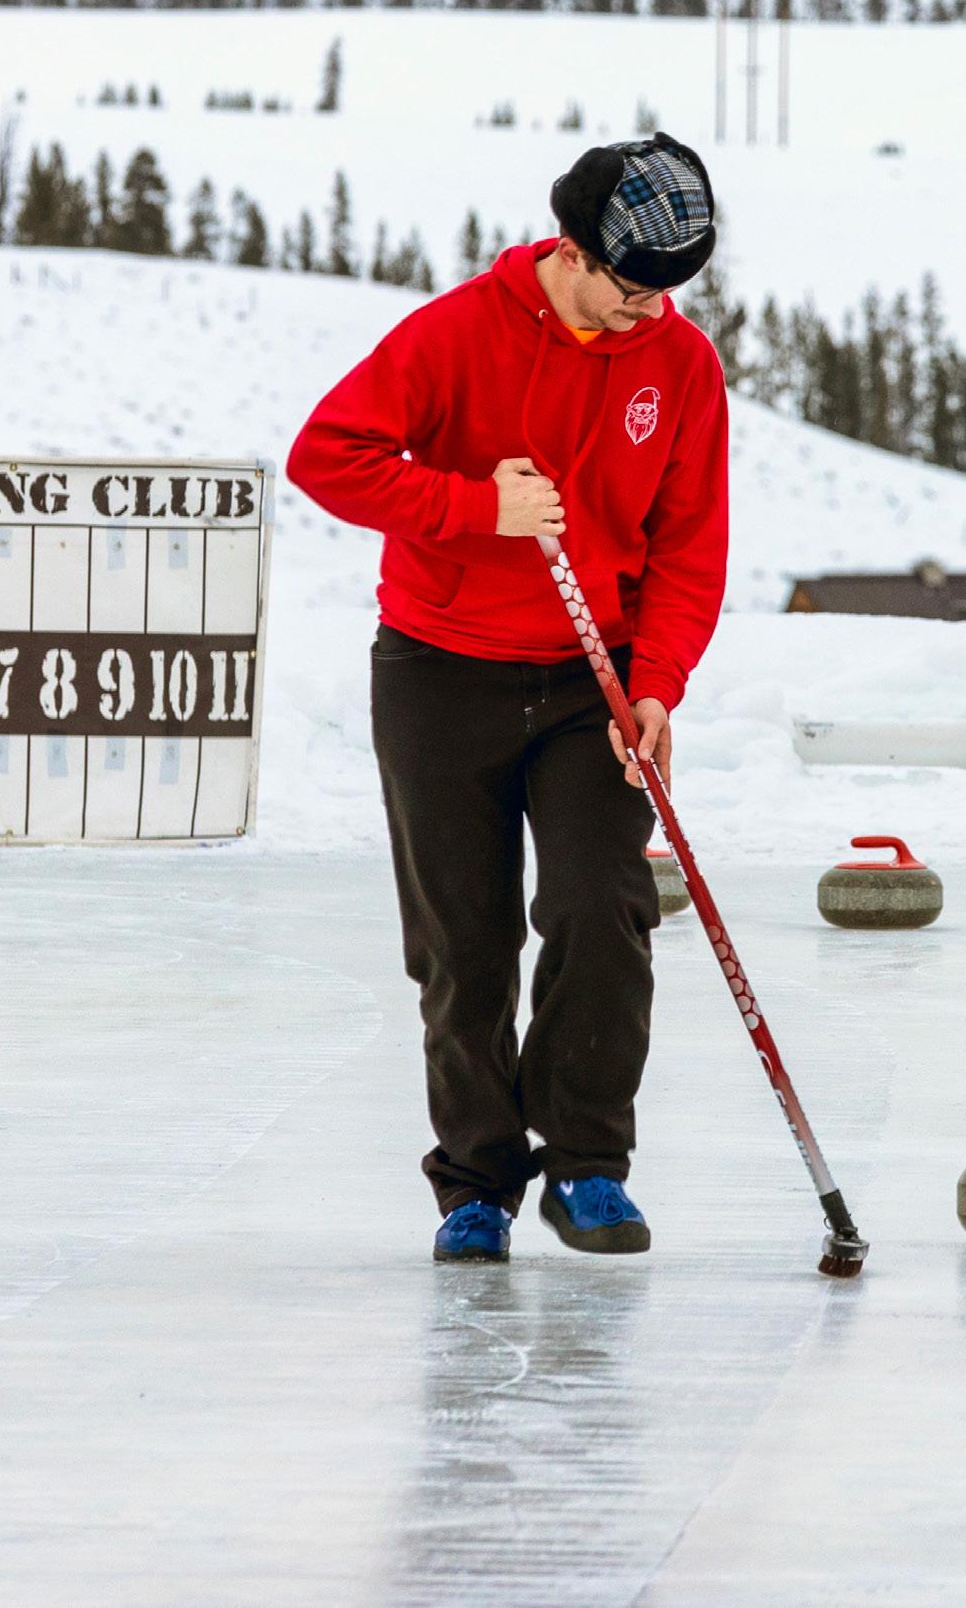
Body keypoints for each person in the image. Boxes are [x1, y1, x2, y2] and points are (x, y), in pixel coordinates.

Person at [287, 133, 728, 1264]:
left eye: (667, 293)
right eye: (630, 289)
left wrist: (656, 687)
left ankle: (586, 1165)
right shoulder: (454, 334)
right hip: (439, 670)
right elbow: (325, 456)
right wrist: (474, 508)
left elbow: (688, 547)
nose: (648, 313)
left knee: (601, 909)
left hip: (593, 681)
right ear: (572, 252)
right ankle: (476, 1181)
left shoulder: (680, 365)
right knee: (462, 943)